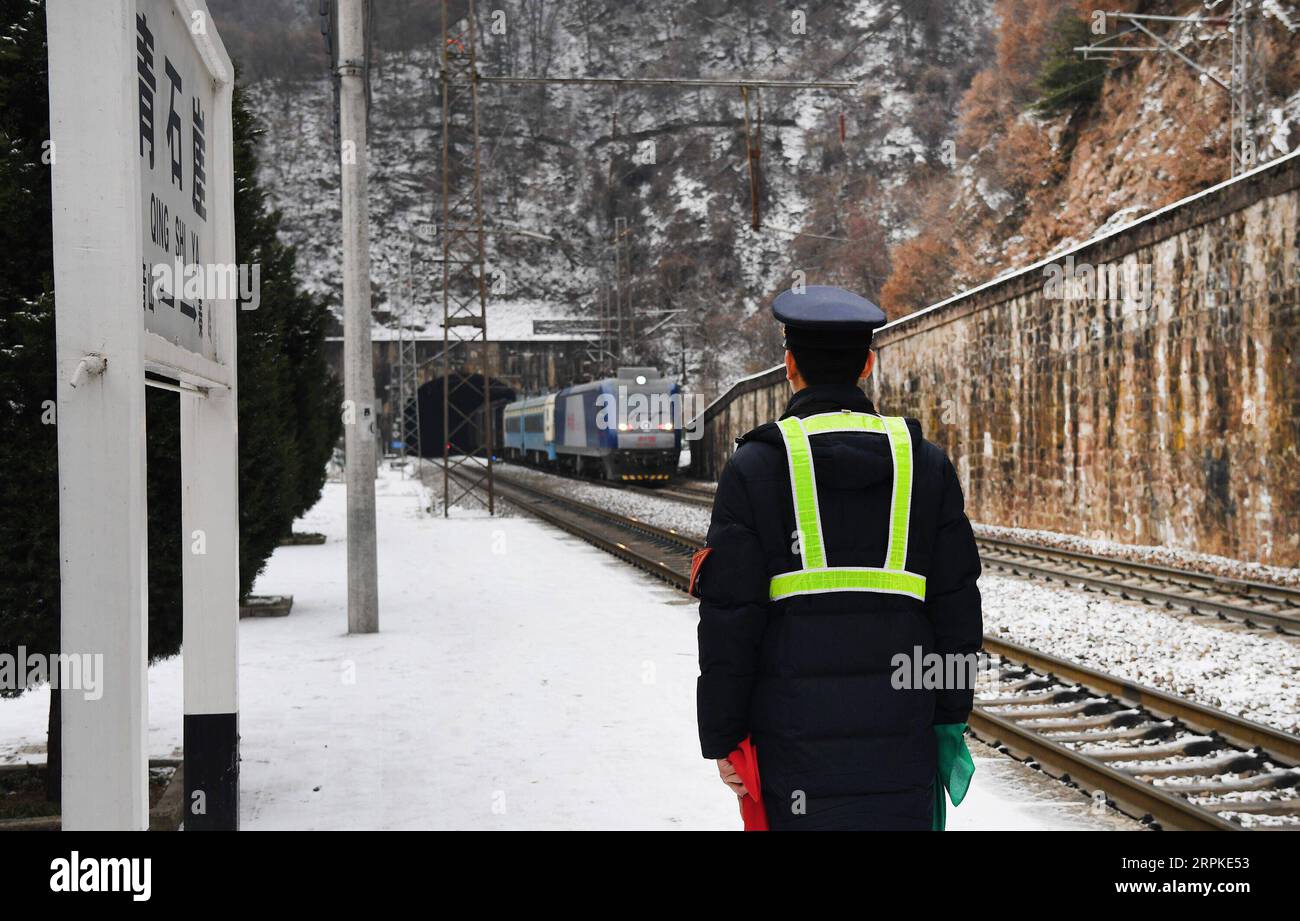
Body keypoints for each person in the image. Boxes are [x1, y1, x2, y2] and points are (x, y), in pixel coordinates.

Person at [691, 285, 983, 831]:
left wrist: (724, 735)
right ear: (868, 365)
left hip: (792, 749)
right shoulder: (926, 464)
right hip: (904, 741)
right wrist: (949, 718)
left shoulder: (755, 466)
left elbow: (731, 619)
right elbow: (957, 609)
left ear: (789, 364)